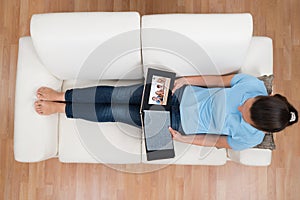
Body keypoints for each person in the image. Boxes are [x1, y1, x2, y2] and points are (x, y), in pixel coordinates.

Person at [34, 74, 298, 151]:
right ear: (265, 96)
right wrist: (185, 80)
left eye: (244, 115)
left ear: (258, 128)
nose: (239, 107)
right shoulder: (252, 85)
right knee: (118, 95)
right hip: (176, 94)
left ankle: (61, 112)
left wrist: (182, 139)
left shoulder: (250, 139)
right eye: (247, 103)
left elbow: (215, 141)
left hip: (175, 122)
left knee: (116, 113)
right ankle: (62, 97)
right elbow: (217, 79)